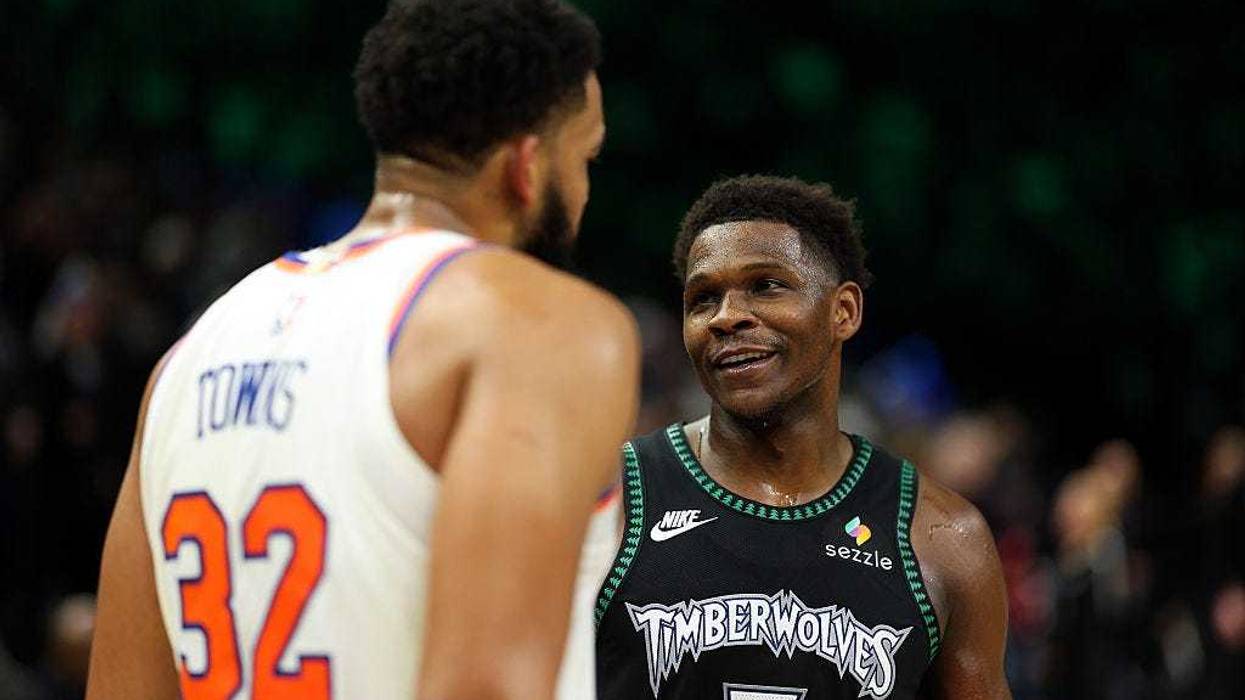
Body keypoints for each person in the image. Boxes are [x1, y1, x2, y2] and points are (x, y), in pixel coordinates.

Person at [86, 1, 639, 698]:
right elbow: (487, 688)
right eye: (583, 159)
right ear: (526, 167)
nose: (584, 190)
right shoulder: (534, 324)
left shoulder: (189, 356)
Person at [595, 175, 1011, 699]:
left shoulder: (944, 538)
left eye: (766, 286)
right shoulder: (608, 498)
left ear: (844, 312)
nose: (726, 317)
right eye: (703, 298)